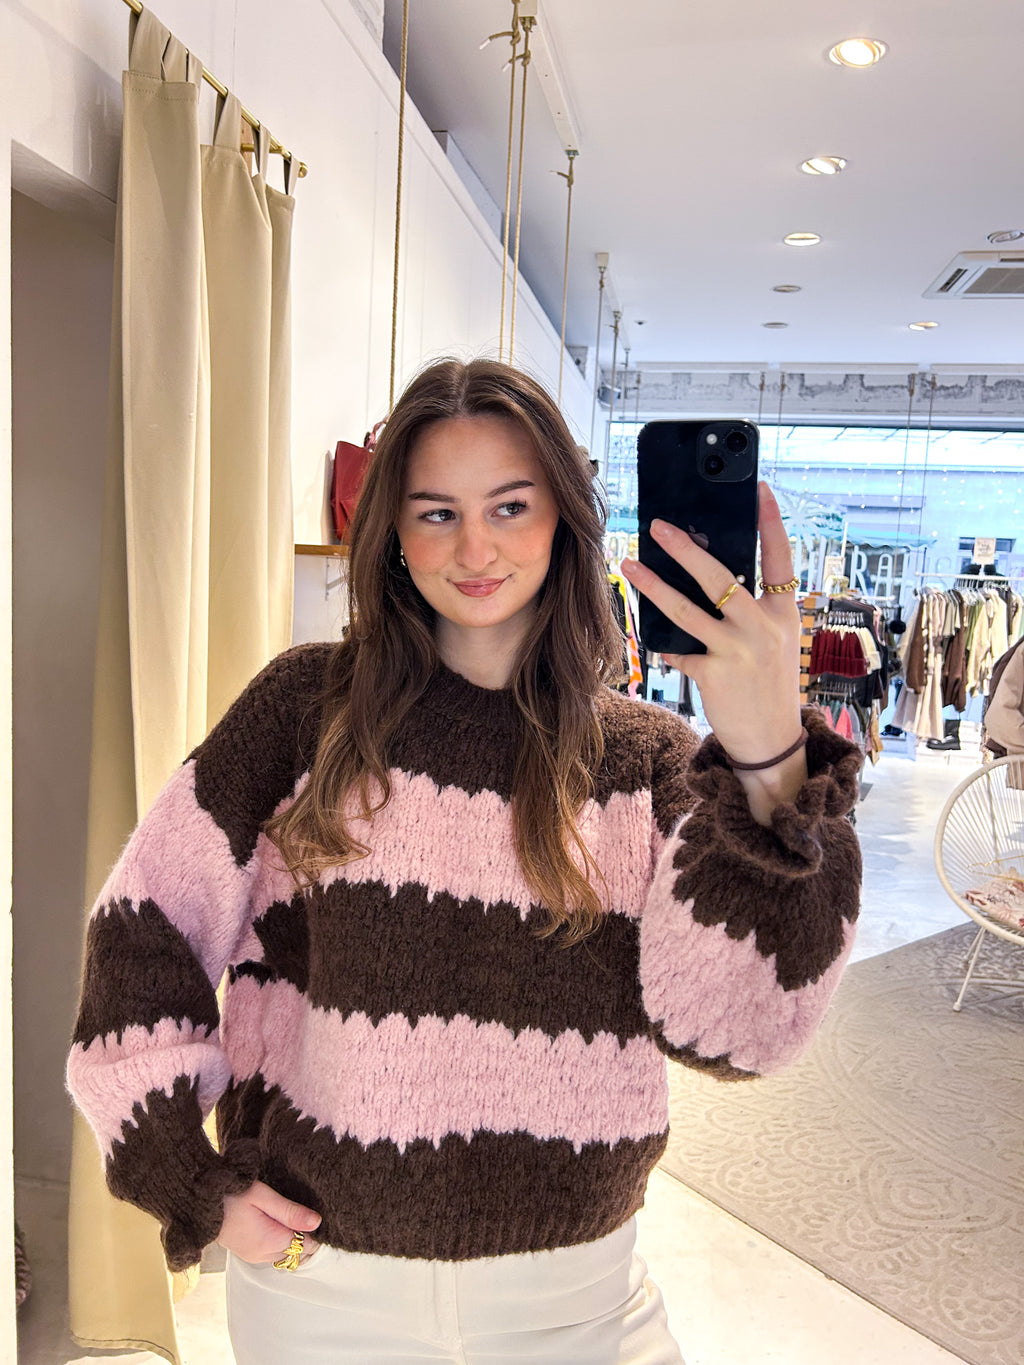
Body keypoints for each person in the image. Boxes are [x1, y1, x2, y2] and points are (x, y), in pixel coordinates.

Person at [66, 358, 863, 1364]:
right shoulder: (303, 715)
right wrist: (190, 1181)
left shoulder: (648, 762)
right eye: (436, 512)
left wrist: (768, 761)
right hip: (323, 1293)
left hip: (580, 1305)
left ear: (563, 518)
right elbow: (144, 933)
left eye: (510, 506)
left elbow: (738, 1037)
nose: (475, 548)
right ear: (394, 532)